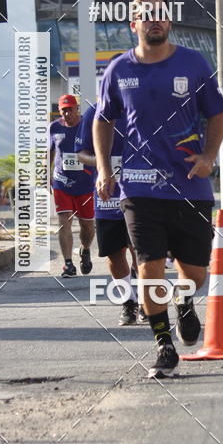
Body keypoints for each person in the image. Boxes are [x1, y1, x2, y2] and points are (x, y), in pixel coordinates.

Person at [94, 0, 223, 380]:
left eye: (160, 14)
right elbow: (104, 121)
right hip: (139, 188)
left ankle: (185, 302)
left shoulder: (193, 64)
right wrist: (105, 170)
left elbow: (216, 114)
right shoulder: (118, 70)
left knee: (196, 273)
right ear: (133, 23)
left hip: (189, 186)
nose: (154, 20)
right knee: (148, 265)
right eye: (145, 15)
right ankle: (163, 345)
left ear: (169, 22)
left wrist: (208, 157)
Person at [75, 103, 139, 326]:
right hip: (107, 195)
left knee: (141, 250)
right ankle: (128, 302)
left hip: (140, 189)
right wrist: (103, 165)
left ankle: (149, 302)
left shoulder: (142, 104)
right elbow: (82, 154)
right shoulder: (95, 112)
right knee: (114, 253)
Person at [49, 94, 95, 278]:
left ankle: (84, 249)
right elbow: (50, 152)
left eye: (70, 109)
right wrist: (45, 174)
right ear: (60, 111)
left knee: (87, 226)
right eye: (64, 110)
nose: (67, 113)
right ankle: (68, 264)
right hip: (61, 182)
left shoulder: (88, 125)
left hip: (85, 183)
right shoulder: (54, 127)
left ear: (77, 108)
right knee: (64, 222)